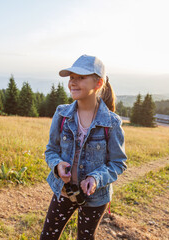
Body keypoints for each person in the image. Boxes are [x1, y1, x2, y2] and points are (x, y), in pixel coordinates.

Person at [41, 54, 127, 240]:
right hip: (64, 191)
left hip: (96, 199)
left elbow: (118, 163)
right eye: (71, 77)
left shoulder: (111, 123)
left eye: (81, 77)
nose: (73, 82)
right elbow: (51, 150)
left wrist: (95, 179)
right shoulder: (62, 114)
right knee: (47, 237)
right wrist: (57, 165)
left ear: (98, 83)